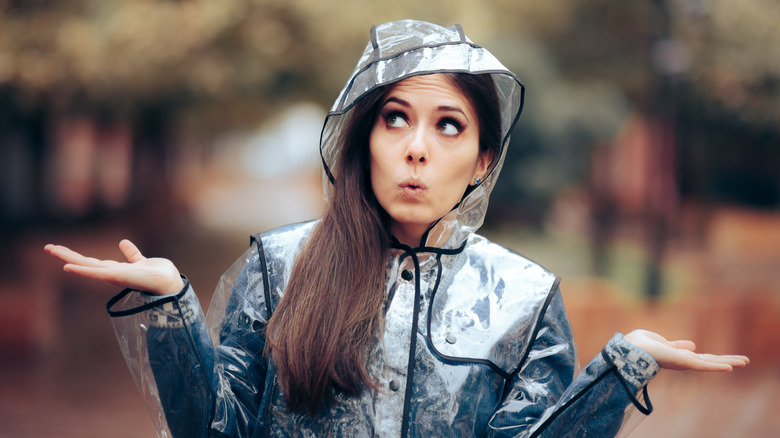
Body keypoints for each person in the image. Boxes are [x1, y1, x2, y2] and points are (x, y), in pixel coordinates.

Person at [44, 20, 748, 438]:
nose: (418, 147)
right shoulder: (279, 267)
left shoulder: (524, 298)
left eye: (449, 126)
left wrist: (621, 368)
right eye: (395, 118)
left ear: (482, 162)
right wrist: (173, 312)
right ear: (366, 140)